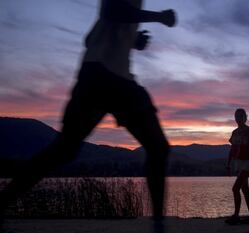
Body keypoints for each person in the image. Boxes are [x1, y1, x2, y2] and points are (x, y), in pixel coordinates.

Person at [0, 0, 176, 222]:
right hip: (99, 76)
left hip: (113, 78)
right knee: (65, 150)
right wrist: (159, 17)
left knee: (157, 148)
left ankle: (159, 223)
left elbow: (91, 37)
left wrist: (133, 41)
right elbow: (112, 9)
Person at [225, 108, 249, 225]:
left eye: (241, 116)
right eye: (236, 116)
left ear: (245, 118)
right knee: (245, 190)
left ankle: (236, 216)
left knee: (235, 188)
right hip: (238, 163)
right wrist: (228, 164)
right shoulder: (234, 132)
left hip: (248, 163)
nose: (238, 118)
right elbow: (232, 149)